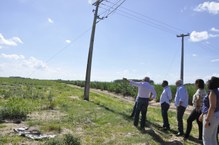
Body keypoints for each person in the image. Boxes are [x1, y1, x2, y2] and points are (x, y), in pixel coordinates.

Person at [199, 76, 219, 145]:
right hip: (215, 116)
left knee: (206, 139)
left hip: (211, 116)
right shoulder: (217, 91)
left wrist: (207, 120)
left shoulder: (212, 92)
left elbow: (212, 107)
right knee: (213, 138)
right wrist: (202, 114)